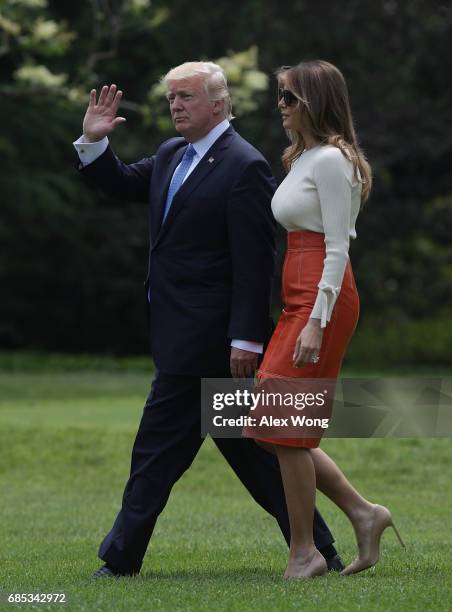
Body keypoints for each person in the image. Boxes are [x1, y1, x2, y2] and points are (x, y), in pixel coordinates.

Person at [73, 61, 342, 577]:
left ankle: (121, 559)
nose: (175, 106)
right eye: (171, 97)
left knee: (156, 452)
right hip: (179, 331)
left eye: (186, 97)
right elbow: (126, 184)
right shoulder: (175, 152)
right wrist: (92, 143)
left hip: (214, 342)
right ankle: (324, 546)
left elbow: (254, 261)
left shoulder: (244, 165)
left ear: (218, 104)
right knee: (255, 456)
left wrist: (246, 337)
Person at [244, 60, 404, 578]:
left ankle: (304, 551)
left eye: (289, 97)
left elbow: (337, 247)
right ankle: (363, 512)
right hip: (299, 295)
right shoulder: (306, 158)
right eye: (281, 97)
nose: (281, 107)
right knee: (273, 425)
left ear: (314, 101)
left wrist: (318, 317)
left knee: (285, 425)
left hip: (321, 298)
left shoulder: (333, 160)